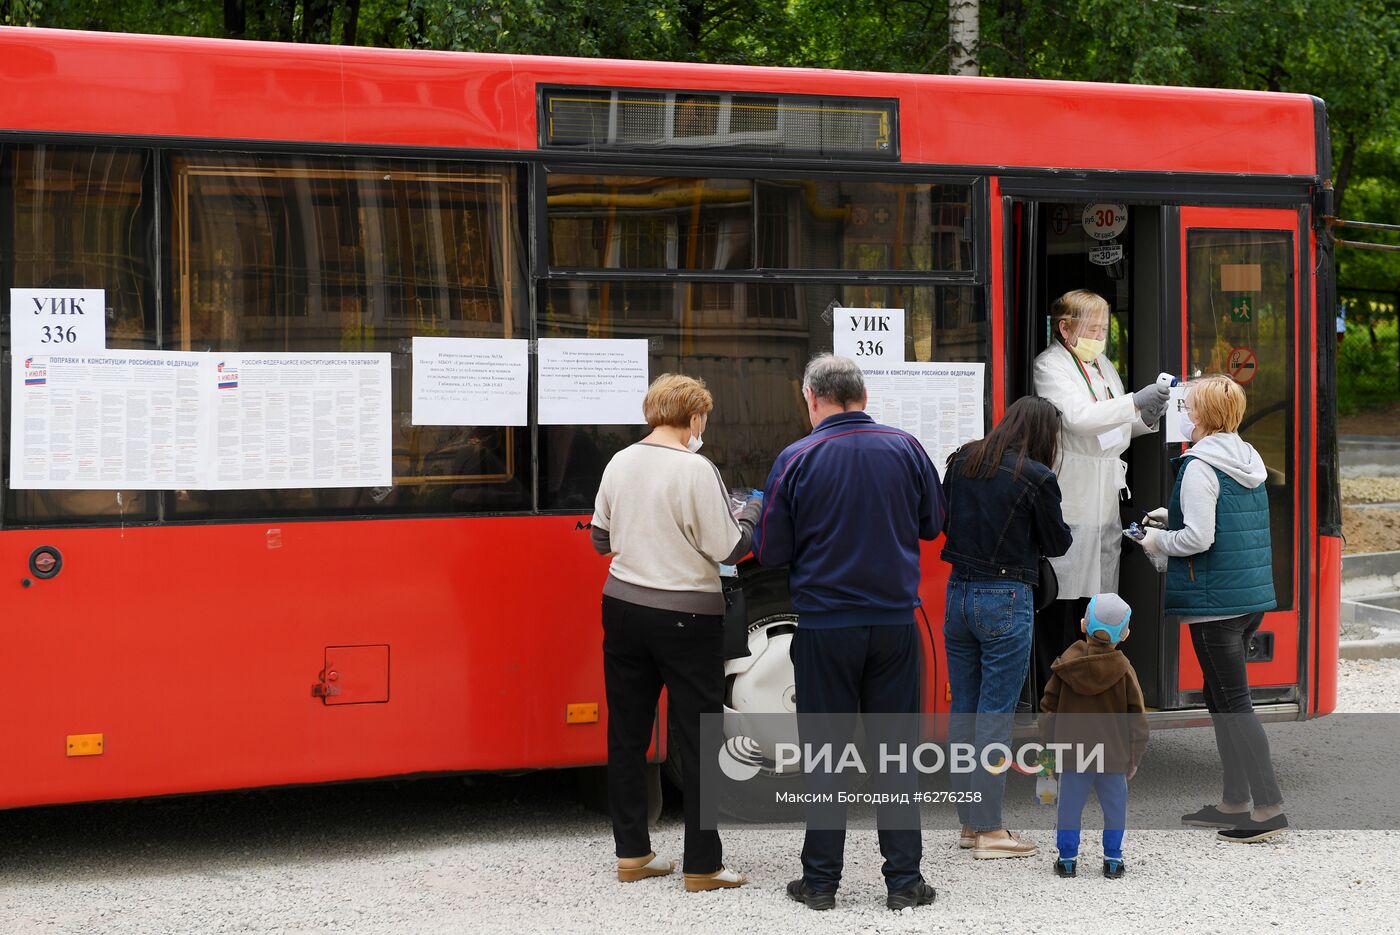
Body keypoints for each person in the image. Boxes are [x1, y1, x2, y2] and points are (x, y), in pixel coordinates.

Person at [753, 354, 945, 913]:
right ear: (862, 395)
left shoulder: (796, 457)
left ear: (813, 398)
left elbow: (772, 550)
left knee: (825, 756)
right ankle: (905, 883)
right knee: (895, 756)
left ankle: (819, 885)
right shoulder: (907, 448)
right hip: (894, 625)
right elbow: (934, 523)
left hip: (824, 627)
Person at [590, 373, 758, 891]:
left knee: (627, 734)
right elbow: (731, 549)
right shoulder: (695, 468)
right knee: (699, 738)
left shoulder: (620, 460)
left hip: (621, 608)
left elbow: (600, 540)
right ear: (695, 418)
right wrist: (748, 513)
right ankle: (702, 865)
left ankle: (633, 855)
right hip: (686, 618)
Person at [1136, 374, 1286, 842]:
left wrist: (1156, 538)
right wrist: (1172, 516)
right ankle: (1234, 801)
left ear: (1202, 416)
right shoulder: (1247, 456)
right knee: (1223, 702)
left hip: (1213, 605)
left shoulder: (1199, 465)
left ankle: (1269, 808)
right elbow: (1220, 520)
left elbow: (1199, 538)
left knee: (1234, 705)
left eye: (1190, 407)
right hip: (1246, 598)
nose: (1186, 413)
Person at [940, 395, 1072, 859]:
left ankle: (969, 825)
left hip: (957, 594)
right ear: (1042, 434)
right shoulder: (1037, 477)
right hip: (1005, 597)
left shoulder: (961, 462)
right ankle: (991, 831)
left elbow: (944, 520)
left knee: (965, 713)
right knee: (995, 716)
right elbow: (1057, 541)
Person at [1032, 289, 1170, 700]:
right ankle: (1054, 696)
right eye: (1091, 329)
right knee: (1063, 603)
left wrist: (1146, 417)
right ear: (1065, 328)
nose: (1100, 337)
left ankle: (1088, 698)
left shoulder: (1102, 364)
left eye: (1104, 329)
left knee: (1095, 602)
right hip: (1073, 493)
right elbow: (1079, 419)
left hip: (1105, 496)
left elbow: (1114, 426)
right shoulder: (1050, 365)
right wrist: (1133, 403)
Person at [1039, 592, 1149, 879]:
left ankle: (1067, 860)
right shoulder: (1124, 671)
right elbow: (1137, 719)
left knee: (1069, 808)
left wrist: (1048, 751)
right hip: (1113, 758)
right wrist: (1133, 757)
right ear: (1125, 634)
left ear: (1083, 624)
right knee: (1115, 809)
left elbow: (1048, 712)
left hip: (1072, 757)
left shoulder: (1065, 666)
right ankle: (1113, 860)